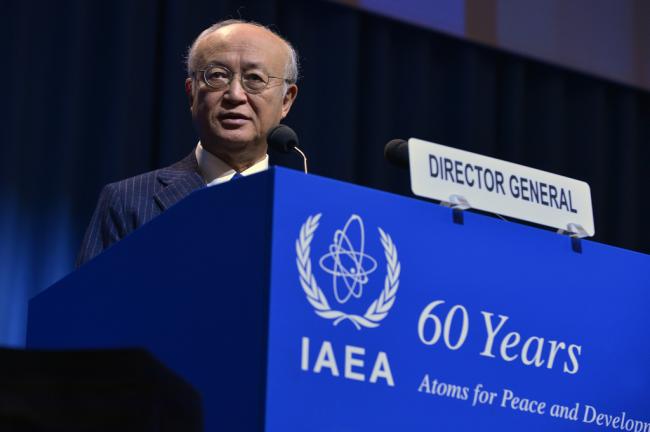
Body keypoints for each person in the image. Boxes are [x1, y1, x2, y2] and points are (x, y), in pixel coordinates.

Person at [76, 19, 299, 266]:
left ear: (286, 101)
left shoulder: (305, 210)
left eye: (255, 78)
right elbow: (91, 292)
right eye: (217, 76)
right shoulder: (127, 201)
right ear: (191, 93)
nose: (235, 95)